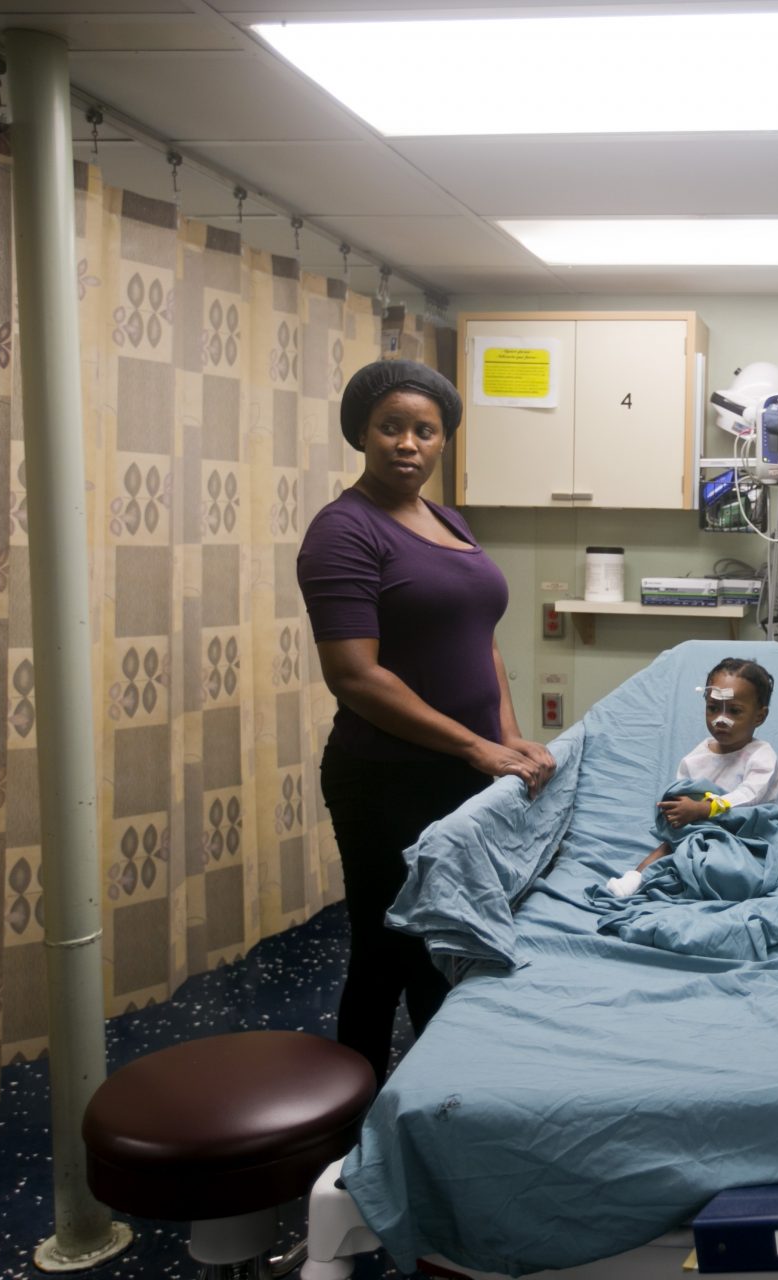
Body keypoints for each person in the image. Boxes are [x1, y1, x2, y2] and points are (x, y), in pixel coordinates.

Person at [297, 358, 555, 1084]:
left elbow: (483, 641)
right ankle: (357, 1124)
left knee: (443, 946)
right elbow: (356, 676)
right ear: (362, 434)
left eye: (424, 430)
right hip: (388, 779)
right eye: (390, 427)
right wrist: (478, 747)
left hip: (464, 772)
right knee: (390, 950)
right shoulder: (344, 532)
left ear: (443, 442)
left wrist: (505, 738)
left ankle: (442, 1101)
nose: (406, 443)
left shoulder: (446, 519)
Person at [606, 658, 778, 897]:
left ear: (759, 716)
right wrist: (675, 809)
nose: (721, 718)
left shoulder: (761, 756)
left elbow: (750, 795)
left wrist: (703, 809)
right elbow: (683, 789)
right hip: (700, 831)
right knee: (669, 846)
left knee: (726, 864)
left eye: (735, 711)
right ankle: (636, 878)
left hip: (746, 835)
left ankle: (705, 881)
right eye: (713, 708)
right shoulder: (697, 757)